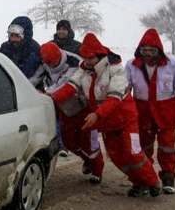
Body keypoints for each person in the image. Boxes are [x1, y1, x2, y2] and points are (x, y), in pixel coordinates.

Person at [52, 33, 162, 197]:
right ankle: (138, 183)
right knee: (116, 157)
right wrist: (53, 98)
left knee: (133, 153)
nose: (87, 61)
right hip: (107, 123)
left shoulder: (115, 69)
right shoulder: (83, 70)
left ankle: (152, 181)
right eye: (85, 58)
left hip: (125, 119)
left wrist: (97, 114)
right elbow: (71, 87)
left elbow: (114, 98)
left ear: (99, 55)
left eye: (90, 58)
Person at [125, 28, 175, 194]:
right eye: (145, 50)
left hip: (166, 114)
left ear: (159, 49)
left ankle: (168, 177)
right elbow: (124, 89)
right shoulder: (132, 65)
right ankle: (145, 179)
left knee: (167, 148)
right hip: (142, 114)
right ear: (139, 50)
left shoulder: (172, 65)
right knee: (142, 149)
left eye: (151, 50)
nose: (148, 53)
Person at [33, 42, 105, 183]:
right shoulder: (44, 62)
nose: (51, 66)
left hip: (83, 106)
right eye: (49, 64)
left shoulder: (74, 62)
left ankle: (97, 170)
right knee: (68, 141)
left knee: (90, 143)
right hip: (64, 107)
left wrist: (47, 94)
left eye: (54, 63)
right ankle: (86, 158)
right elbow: (35, 78)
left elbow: (66, 83)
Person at [0, 16, 42, 81]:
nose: (13, 39)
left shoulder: (34, 50)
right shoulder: (5, 47)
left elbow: (26, 74)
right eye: (11, 35)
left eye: (17, 35)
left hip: (30, 87)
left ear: (25, 35)